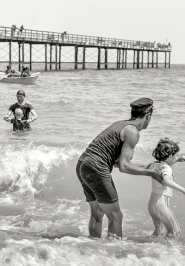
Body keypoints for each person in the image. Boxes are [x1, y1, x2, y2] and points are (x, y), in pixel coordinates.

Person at [76, 98, 179, 239]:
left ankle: (93, 246)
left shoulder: (120, 124)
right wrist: (151, 173)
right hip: (97, 167)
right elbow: (124, 167)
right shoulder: (133, 132)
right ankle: (113, 253)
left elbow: (118, 162)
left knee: (97, 212)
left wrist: (150, 167)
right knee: (116, 216)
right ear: (148, 115)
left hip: (83, 164)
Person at [146, 138, 185, 240]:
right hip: (161, 206)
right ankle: (170, 253)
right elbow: (167, 181)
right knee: (175, 232)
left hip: (151, 206)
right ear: (169, 156)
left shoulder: (153, 165)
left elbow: (164, 162)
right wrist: (183, 190)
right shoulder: (166, 168)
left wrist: (178, 159)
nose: (176, 157)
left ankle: (148, 248)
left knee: (159, 232)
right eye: (175, 155)